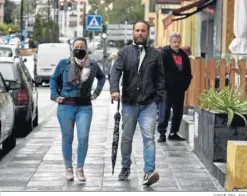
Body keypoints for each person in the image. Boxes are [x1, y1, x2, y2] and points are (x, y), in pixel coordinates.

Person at [110, 20, 165, 186]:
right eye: (137, 30)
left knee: (149, 138)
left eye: (143, 31)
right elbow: (115, 72)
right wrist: (114, 90)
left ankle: (149, 172)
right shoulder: (124, 52)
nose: (140, 33)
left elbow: (161, 77)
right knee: (126, 138)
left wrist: (158, 97)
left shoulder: (156, 54)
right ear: (133, 33)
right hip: (129, 103)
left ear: (147, 33)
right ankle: (125, 167)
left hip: (148, 104)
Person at [50, 37, 106, 182]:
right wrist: (55, 96)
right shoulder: (64, 63)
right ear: (72, 48)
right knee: (67, 138)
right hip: (66, 106)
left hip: (85, 106)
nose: (79, 49)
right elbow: (53, 79)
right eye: (76, 46)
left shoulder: (93, 64)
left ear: (86, 48)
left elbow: (102, 77)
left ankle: (80, 168)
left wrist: (96, 92)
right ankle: (68, 168)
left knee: (83, 137)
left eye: (82, 46)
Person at [157, 32, 193, 142]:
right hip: (166, 89)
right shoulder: (164, 53)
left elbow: (188, 72)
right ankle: (162, 133)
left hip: (179, 89)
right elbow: (159, 70)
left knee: (178, 111)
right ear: (170, 42)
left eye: (178, 42)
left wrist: (185, 85)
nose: (176, 44)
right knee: (165, 111)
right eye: (174, 42)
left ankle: (173, 132)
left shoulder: (183, 55)